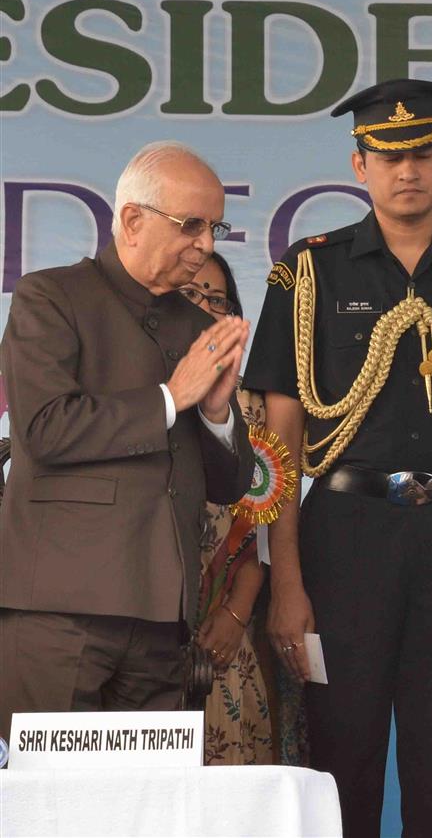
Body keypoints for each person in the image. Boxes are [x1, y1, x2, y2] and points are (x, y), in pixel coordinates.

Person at [242, 80, 432, 836]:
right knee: (340, 761)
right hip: (343, 537)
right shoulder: (311, 270)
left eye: (423, 154)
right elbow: (280, 439)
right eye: (387, 157)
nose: (408, 172)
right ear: (358, 166)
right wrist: (287, 579)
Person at [0, 141, 253, 744]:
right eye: (190, 225)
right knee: (45, 808)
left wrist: (218, 414)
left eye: (214, 227)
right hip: (59, 613)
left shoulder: (199, 327)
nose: (207, 245)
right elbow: (43, 431)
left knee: (149, 806)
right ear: (133, 220)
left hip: (166, 621)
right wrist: (171, 398)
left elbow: (230, 485)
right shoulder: (50, 296)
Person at [183, 252, 308, 765]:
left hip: (227, 630)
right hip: (137, 629)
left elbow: (263, 522)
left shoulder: (254, 406)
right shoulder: (137, 397)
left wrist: (236, 612)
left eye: (219, 299)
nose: (207, 307)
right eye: (192, 294)